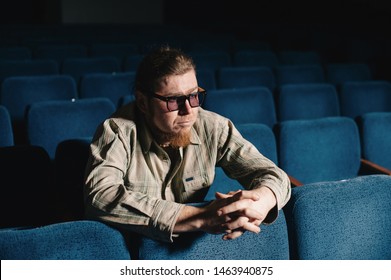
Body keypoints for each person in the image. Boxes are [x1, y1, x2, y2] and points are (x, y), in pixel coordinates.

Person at [84, 46, 291, 243]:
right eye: (173, 100)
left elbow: (273, 175)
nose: (189, 110)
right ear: (143, 102)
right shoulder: (117, 130)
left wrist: (261, 201)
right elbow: (101, 196)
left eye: (193, 95)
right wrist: (199, 217)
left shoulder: (213, 126)